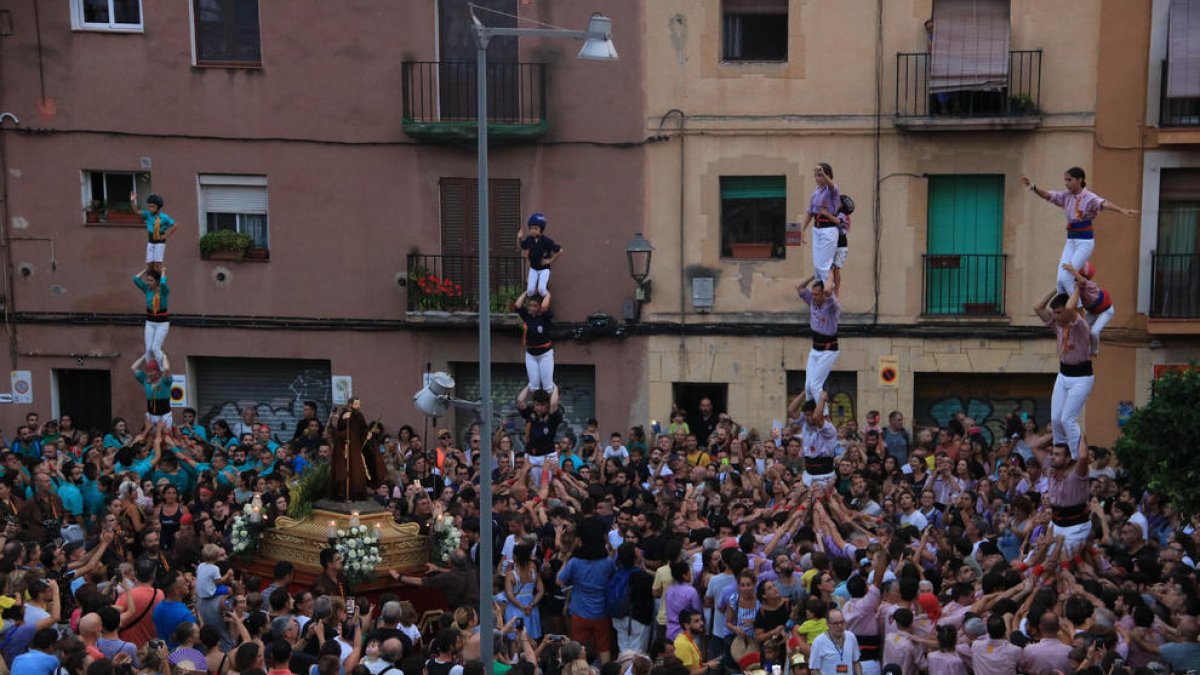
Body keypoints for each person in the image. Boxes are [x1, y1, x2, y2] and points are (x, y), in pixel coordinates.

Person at [1020, 167, 1138, 294]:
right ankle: (1064, 305)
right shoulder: (1066, 196)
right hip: (1071, 241)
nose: (1066, 183)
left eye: (1069, 180)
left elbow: (1104, 203)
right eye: (1065, 180)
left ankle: (1077, 305)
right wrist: (1033, 187)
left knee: (1067, 278)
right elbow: (1048, 195)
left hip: (1084, 242)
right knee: (1060, 281)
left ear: (1079, 180)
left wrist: (1122, 210)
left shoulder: (1089, 197)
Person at [1034, 287, 1092, 459]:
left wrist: (1077, 288)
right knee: (1056, 419)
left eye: (1059, 312)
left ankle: (1076, 456)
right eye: (1055, 313)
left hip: (1081, 377)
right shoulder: (1058, 326)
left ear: (1067, 312)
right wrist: (1057, 288)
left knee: (1068, 419)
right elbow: (1038, 307)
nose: (1056, 317)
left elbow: (1071, 308)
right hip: (1064, 374)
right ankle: (1059, 450)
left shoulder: (1080, 325)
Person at [795, 275, 841, 405]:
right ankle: (811, 411)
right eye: (813, 294)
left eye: (816, 294)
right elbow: (799, 287)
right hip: (815, 349)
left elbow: (829, 291)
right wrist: (813, 276)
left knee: (815, 385)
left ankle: (823, 412)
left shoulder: (831, 307)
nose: (813, 297)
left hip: (828, 350)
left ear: (823, 295)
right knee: (808, 386)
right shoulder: (812, 302)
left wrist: (828, 276)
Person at [332, 397, 386, 502]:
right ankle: (345, 493)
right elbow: (340, 428)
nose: (358, 406)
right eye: (356, 404)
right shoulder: (345, 415)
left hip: (356, 448)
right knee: (345, 470)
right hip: (346, 446)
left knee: (357, 471)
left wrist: (368, 434)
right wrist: (344, 421)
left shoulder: (359, 415)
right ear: (350, 404)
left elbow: (363, 428)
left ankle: (357, 493)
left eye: (358, 404)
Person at [801, 163, 842, 287]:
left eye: (821, 175)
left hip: (828, 230)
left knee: (824, 266)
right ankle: (821, 294)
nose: (818, 178)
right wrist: (803, 230)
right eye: (816, 175)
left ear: (828, 175)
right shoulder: (815, 193)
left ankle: (830, 292)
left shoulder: (832, 191)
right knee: (817, 267)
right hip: (817, 229)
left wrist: (823, 173)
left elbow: (832, 186)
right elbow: (810, 212)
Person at [1063, 261, 1114, 356]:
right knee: (1080, 327)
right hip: (1094, 312)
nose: (1075, 280)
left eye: (1076, 278)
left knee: (1094, 332)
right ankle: (1078, 346)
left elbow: (1082, 281)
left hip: (1105, 311)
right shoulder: (1077, 288)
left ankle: (1094, 351)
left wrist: (1072, 270)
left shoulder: (1090, 285)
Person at [515, 386, 562, 484]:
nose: (539, 408)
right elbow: (520, 401)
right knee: (532, 485)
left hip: (548, 456)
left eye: (542, 405)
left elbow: (554, 404)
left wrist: (554, 387)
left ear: (547, 405)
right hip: (531, 456)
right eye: (536, 405)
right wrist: (530, 385)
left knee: (547, 485)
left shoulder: (553, 416)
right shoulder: (531, 413)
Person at [514, 291, 555, 394]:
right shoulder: (527, 316)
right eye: (530, 305)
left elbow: (545, 307)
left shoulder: (544, 316)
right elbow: (518, 305)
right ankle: (536, 404)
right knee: (533, 387)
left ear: (539, 307)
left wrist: (548, 295)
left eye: (535, 306)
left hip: (545, 354)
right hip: (531, 355)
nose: (532, 308)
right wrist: (526, 292)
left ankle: (550, 403)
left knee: (548, 387)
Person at [132, 266, 170, 366]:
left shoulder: (163, 291)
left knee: (155, 348)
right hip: (150, 322)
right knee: (148, 349)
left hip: (162, 323)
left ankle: (162, 369)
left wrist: (163, 271)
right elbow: (135, 279)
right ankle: (151, 368)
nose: (148, 282)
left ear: (156, 281)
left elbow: (163, 283)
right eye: (147, 280)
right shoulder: (147, 289)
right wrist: (146, 269)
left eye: (151, 280)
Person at [518, 212, 562, 297]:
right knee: (530, 291)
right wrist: (519, 238)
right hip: (533, 268)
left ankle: (547, 298)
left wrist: (550, 260)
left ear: (541, 229)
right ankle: (534, 303)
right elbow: (521, 246)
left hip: (544, 269)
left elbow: (560, 250)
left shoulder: (547, 241)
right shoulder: (529, 239)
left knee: (541, 289)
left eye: (535, 228)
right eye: (531, 228)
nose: (533, 231)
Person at [132, 190, 175, 272]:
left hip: (159, 242)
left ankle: (162, 275)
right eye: (149, 206)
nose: (150, 209)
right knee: (150, 264)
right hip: (151, 241)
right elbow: (136, 211)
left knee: (158, 264)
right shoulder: (148, 214)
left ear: (158, 207)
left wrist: (166, 235)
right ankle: (154, 276)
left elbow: (175, 225)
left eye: (153, 207)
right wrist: (133, 201)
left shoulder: (164, 217)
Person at [809, 609, 860, 675]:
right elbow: (814, 669)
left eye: (842, 622)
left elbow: (856, 662)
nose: (840, 626)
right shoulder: (818, 642)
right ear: (827, 624)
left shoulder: (851, 637)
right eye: (835, 623)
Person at [131, 354, 174, 430]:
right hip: (151, 415)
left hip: (165, 415)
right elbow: (133, 368)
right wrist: (144, 356)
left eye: (151, 372)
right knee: (151, 435)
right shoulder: (145, 380)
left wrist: (164, 357)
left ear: (157, 372)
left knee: (165, 435)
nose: (149, 374)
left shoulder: (164, 381)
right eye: (147, 372)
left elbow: (167, 369)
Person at [674, 609, 720, 675]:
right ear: (686, 625)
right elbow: (690, 673)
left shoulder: (689, 639)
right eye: (696, 621)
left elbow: (695, 665)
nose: (702, 623)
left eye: (701, 619)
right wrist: (708, 667)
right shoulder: (683, 644)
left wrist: (707, 664)